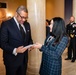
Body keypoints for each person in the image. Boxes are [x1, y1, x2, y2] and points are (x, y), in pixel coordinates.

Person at [0, 5, 33, 75]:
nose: (24, 20)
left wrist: (31, 45)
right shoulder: (6, 24)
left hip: (24, 60)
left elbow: (29, 39)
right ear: (16, 14)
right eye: (22, 17)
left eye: (26, 17)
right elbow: (2, 43)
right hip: (11, 61)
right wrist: (15, 50)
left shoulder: (27, 24)